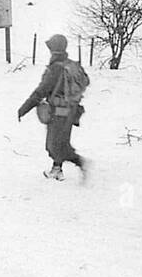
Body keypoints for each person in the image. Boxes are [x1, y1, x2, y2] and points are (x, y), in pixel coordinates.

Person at [17, 34, 90, 180]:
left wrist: (24, 108)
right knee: (61, 141)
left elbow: (41, 91)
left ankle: (80, 162)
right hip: (72, 110)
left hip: (58, 111)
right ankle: (57, 169)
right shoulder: (73, 65)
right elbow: (86, 81)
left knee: (53, 145)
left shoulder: (55, 69)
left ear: (53, 50)